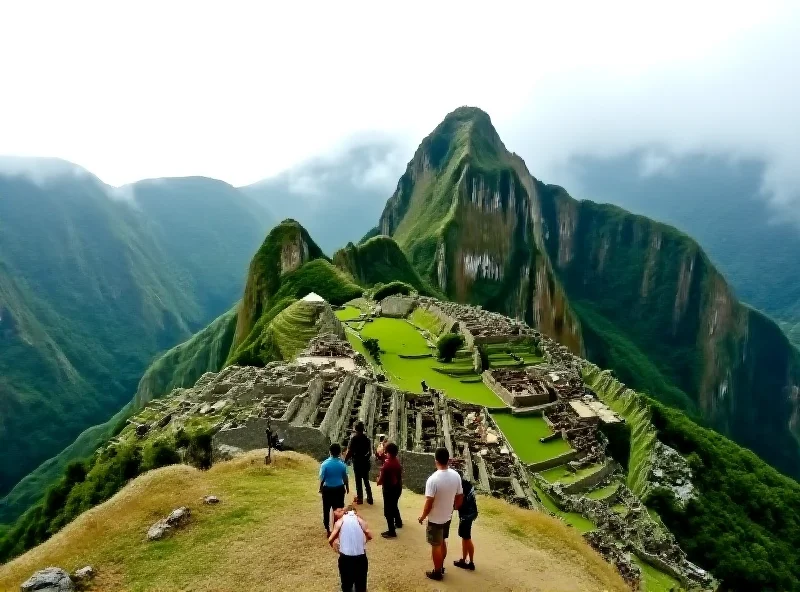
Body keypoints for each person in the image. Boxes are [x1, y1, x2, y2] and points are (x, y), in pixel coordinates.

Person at [418, 447, 463, 581]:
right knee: (443, 541)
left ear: (436, 460)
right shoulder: (456, 476)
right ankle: (441, 566)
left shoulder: (433, 480)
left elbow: (429, 504)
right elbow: (460, 496)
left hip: (435, 519)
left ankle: (437, 571)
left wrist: (422, 517)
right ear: (448, 460)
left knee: (436, 545)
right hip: (447, 516)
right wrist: (453, 507)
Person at [329, 505, 372, 592]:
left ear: (345, 512)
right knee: (361, 585)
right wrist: (364, 541)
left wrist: (334, 546)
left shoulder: (340, 521)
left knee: (346, 584)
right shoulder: (360, 520)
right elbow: (369, 534)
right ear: (355, 512)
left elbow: (330, 539)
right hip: (361, 558)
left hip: (345, 558)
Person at [320, 443, 349, 536]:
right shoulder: (342, 465)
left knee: (326, 509)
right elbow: (345, 477)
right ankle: (338, 529)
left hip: (328, 489)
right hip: (339, 489)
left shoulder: (325, 464)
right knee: (338, 510)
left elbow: (322, 478)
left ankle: (328, 530)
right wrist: (347, 487)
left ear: (330, 452)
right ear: (340, 453)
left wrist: (320, 487)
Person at [376, 442, 403, 538]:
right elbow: (385, 458)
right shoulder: (396, 460)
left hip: (389, 489)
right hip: (398, 487)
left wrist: (377, 479)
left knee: (388, 511)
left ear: (387, 452)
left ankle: (392, 531)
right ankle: (399, 522)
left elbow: (379, 481)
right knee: (394, 505)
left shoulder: (386, 465)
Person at [454, 475, 478, 571]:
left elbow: (458, 502)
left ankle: (471, 562)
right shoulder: (466, 484)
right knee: (465, 537)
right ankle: (464, 560)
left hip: (467, 515)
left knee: (467, 538)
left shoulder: (461, 487)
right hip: (470, 513)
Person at [345, 421, 373, 505]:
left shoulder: (354, 438)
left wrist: (345, 460)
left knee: (358, 480)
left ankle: (360, 498)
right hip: (365, 461)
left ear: (355, 428)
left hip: (357, 461)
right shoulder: (367, 438)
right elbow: (370, 452)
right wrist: (366, 458)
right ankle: (370, 497)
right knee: (366, 480)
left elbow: (350, 451)